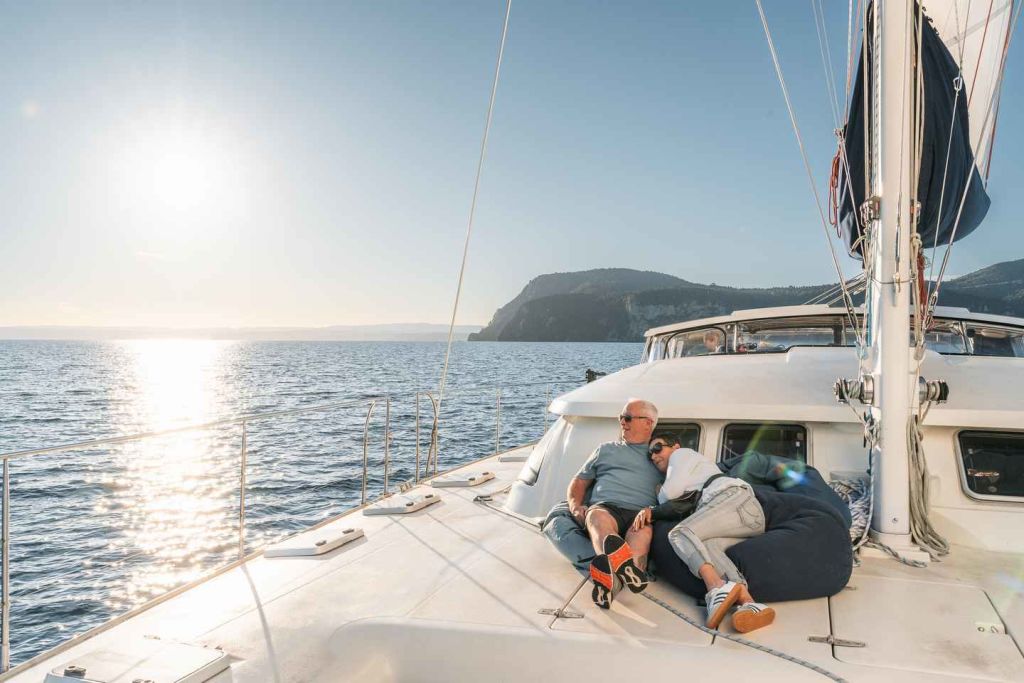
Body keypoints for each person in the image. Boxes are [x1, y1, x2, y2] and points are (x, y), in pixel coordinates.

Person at [632, 435, 776, 633]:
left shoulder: (681, 454)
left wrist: (655, 502)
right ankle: (749, 604)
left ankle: (715, 588)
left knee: (679, 533)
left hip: (733, 500)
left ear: (675, 446)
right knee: (707, 546)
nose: (654, 456)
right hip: (745, 516)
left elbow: (670, 494)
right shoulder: (694, 471)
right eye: (650, 455)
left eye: (657, 448)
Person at [567, 399, 663, 608]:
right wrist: (575, 506)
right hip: (606, 507)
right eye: (621, 417)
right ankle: (623, 568)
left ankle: (613, 581)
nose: (622, 422)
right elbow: (579, 481)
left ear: (648, 423)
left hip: (641, 513)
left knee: (643, 533)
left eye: (627, 418)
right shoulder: (605, 449)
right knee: (596, 517)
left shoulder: (660, 455)